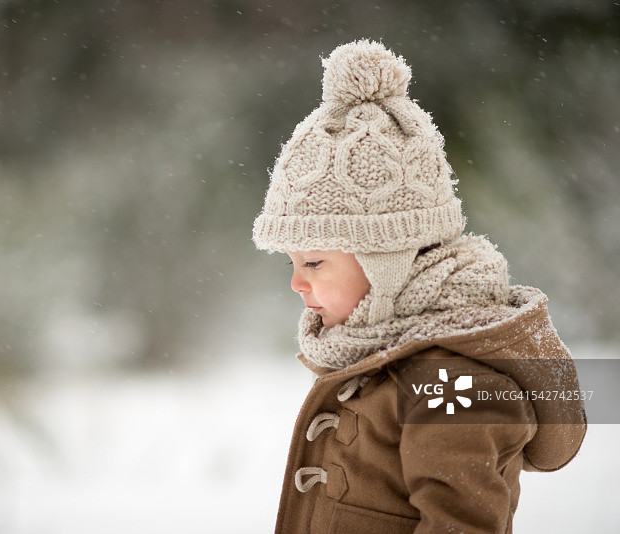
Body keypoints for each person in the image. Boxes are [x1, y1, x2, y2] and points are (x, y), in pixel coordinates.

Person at [251, 39, 587, 534]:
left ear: (386, 262)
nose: (298, 283)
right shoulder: (389, 361)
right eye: (294, 262)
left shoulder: (452, 385)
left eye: (315, 261)